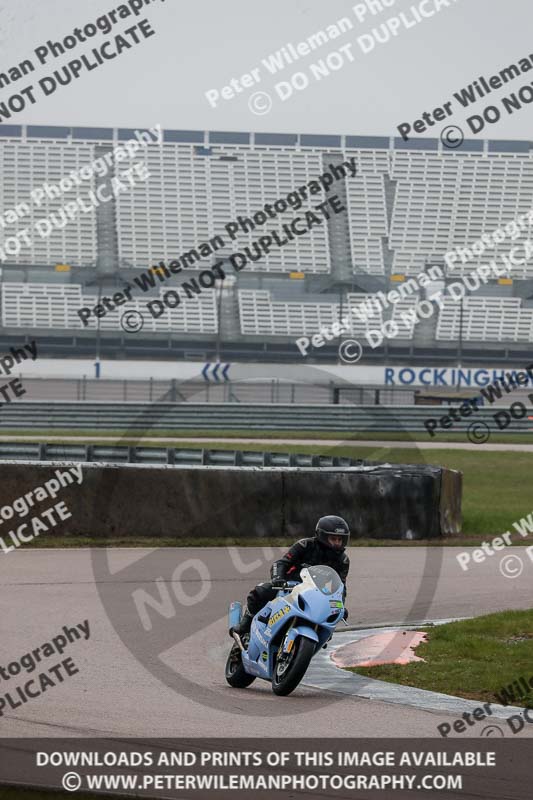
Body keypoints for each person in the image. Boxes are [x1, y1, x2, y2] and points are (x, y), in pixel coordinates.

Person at [231, 515, 351, 637]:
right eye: (333, 539)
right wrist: (278, 578)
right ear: (322, 536)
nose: (337, 543)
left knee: (329, 625)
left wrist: (340, 605)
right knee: (260, 591)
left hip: (318, 595)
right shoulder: (304, 545)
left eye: (340, 540)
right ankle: (245, 624)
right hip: (290, 586)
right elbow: (281, 563)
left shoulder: (343, 560)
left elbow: (340, 587)